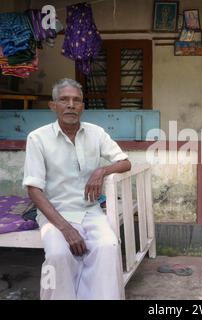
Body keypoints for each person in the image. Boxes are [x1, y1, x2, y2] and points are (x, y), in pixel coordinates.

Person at [22, 78, 131, 300]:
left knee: (108, 247)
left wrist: (101, 171)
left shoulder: (96, 133)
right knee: (58, 254)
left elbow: (125, 162)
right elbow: (34, 189)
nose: (71, 105)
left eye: (76, 100)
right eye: (64, 100)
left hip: (90, 210)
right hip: (55, 213)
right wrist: (66, 229)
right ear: (53, 106)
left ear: (82, 106)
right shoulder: (37, 138)